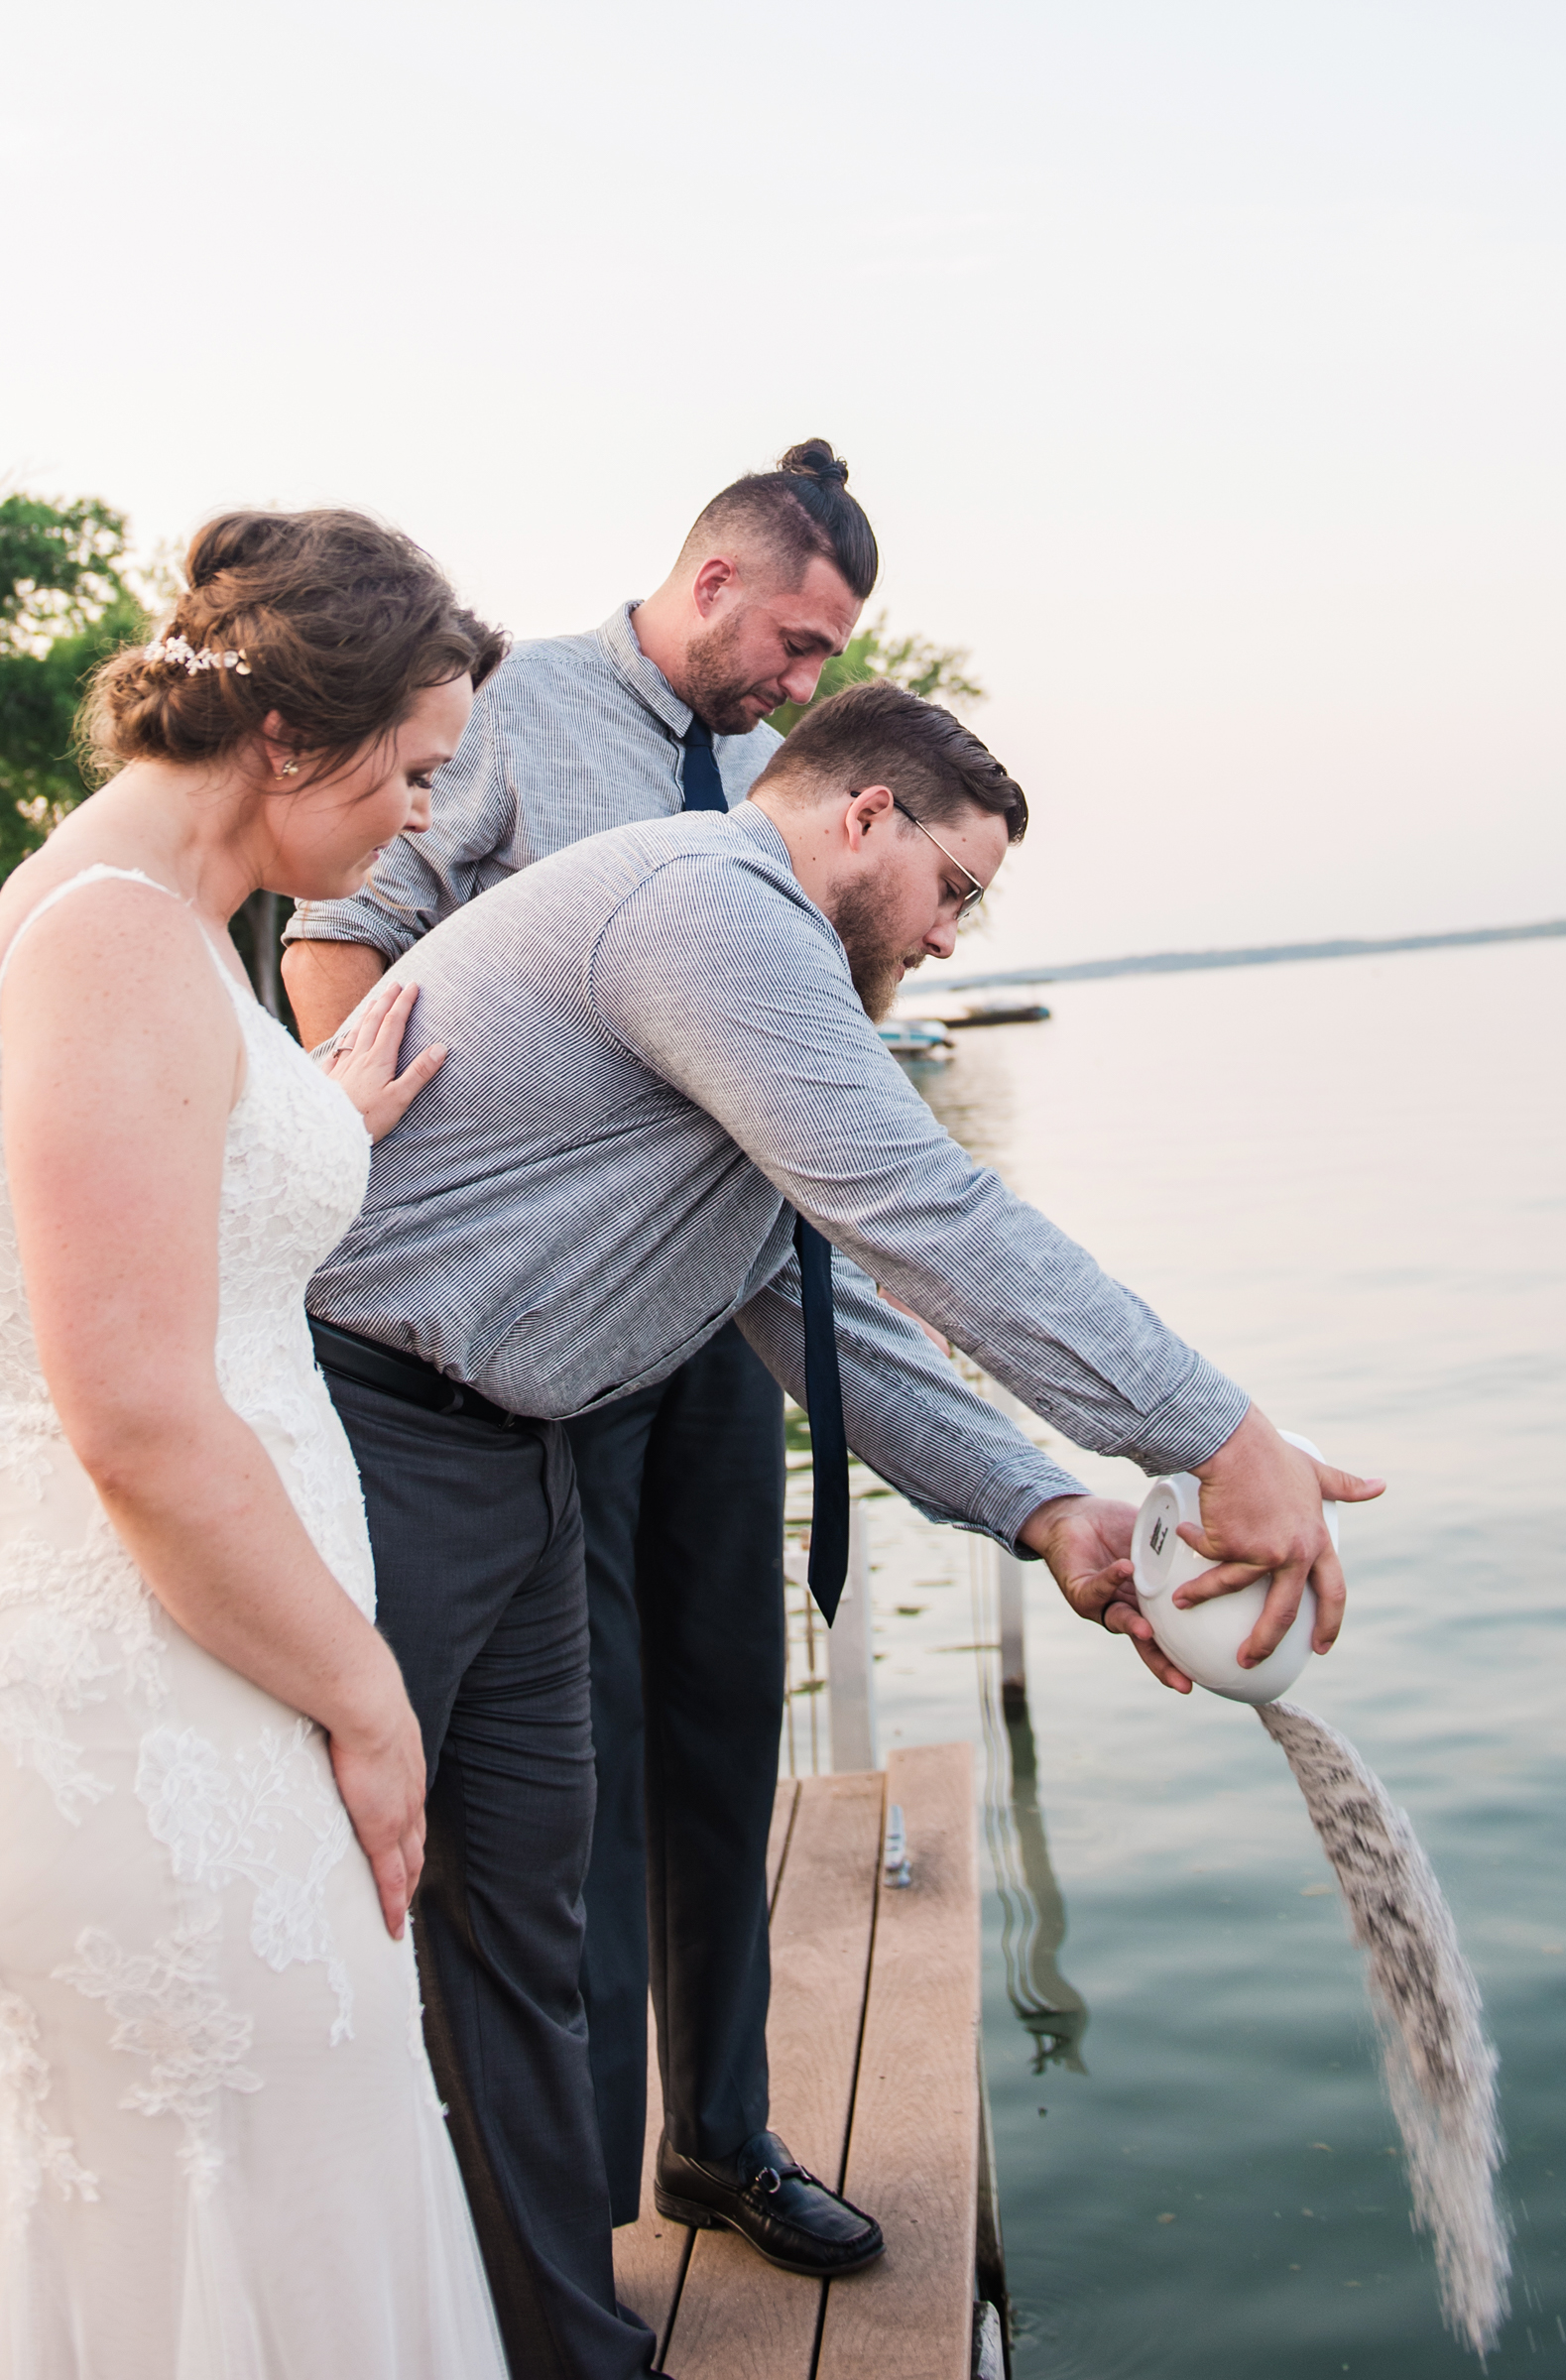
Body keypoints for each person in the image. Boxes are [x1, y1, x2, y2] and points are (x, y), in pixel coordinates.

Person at [302, 677, 1385, 2377]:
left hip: (515, 1449)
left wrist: (1048, 1512)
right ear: (863, 817)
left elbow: (824, 1314)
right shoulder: (709, 909)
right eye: (954, 888)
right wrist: (1218, 1434)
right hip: (374, 1425)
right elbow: (924, 1209)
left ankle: (567, 2348)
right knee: (339, 1909)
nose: (952, 940)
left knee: (522, 1937)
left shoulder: (764, 978)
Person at [282, 442, 884, 2260]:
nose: (804, 680)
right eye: (793, 638)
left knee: (720, 1725)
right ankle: (587, 2185)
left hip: (701, 1318)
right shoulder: (524, 708)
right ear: (712, 583)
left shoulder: (778, 779)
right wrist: (389, 1183)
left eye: (827, 655)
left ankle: (722, 2133)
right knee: (584, 1759)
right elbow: (338, 939)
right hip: (529, 1339)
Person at [0, 509, 512, 2377]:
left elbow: (169, 1209)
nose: (426, 820)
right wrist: (370, 1702)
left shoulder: (150, 932)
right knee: (247, 2228)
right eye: (419, 771)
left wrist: (310, 1123)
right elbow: (132, 1411)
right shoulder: (118, 944)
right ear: (294, 739)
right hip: (169, 1711)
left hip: (197, 1683)